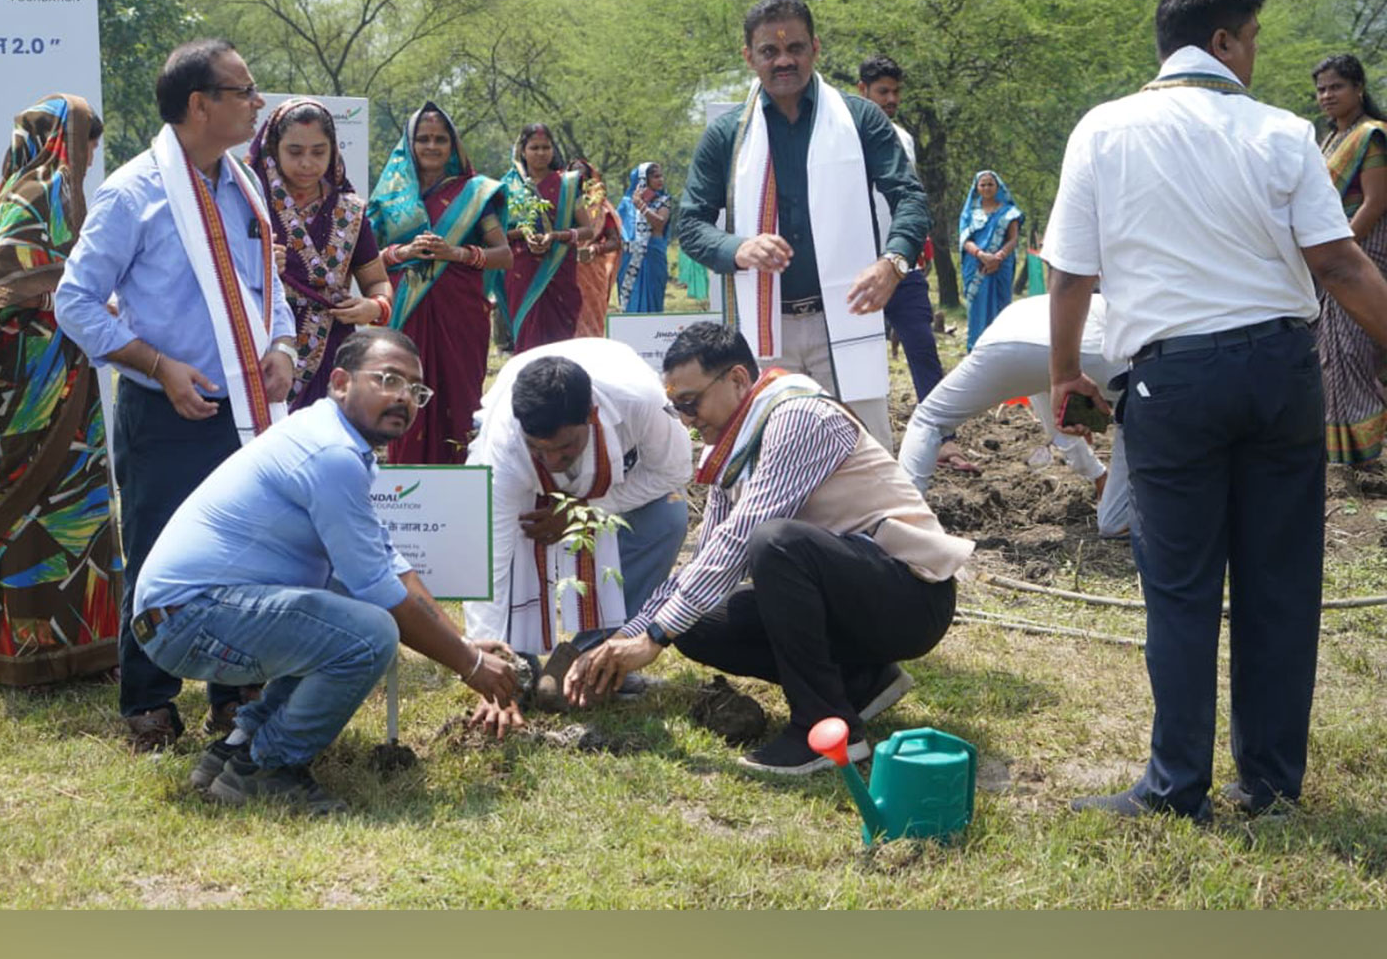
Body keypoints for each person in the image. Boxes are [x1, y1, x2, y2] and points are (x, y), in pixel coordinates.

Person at [1044, 0, 1387, 821]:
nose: (1258, 55)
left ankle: (1175, 787)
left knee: (1183, 585)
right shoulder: (1281, 132)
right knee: (1280, 582)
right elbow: (1340, 261)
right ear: (1225, 41)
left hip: (1174, 380)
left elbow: (1069, 273)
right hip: (1280, 373)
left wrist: (1064, 374)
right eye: (1255, 39)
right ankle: (1270, 784)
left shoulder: (1104, 129)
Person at [131, 328, 520, 812]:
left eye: (415, 390)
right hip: (186, 618)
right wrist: (470, 665)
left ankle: (237, 749)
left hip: (184, 613)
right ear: (340, 382)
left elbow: (387, 563)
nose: (404, 398)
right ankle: (269, 769)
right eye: (387, 380)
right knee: (370, 631)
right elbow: (381, 591)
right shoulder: (331, 455)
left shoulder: (336, 440)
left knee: (350, 614)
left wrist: (460, 644)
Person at [565, 322, 973, 773]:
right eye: (677, 406)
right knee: (696, 623)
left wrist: (655, 638)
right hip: (856, 591)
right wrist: (630, 637)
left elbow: (745, 534)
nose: (686, 417)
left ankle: (823, 725)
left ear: (738, 379)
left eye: (691, 401)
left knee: (775, 543)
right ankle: (862, 682)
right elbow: (708, 559)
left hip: (911, 598)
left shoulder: (796, 416)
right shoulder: (732, 443)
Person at [55, 38, 299, 751]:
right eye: (244, 90)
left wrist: (280, 345)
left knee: (250, 550)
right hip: (164, 409)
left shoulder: (245, 184)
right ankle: (150, 703)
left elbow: (266, 286)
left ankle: (235, 692)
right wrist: (157, 365)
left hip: (246, 408)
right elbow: (76, 302)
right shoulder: (135, 191)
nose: (259, 104)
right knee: (161, 554)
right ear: (200, 105)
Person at [677, 0, 929, 454]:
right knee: (776, 454)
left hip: (850, 314)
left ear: (814, 47)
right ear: (748, 57)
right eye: (769, 51)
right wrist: (738, 249)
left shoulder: (859, 119)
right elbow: (690, 224)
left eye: (794, 47)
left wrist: (893, 263)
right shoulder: (729, 134)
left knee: (866, 454)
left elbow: (909, 196)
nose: (784, 60)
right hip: (769, 325)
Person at [0, 94, 122, 686]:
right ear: (63, 144)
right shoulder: (36, 195)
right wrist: (70, 294)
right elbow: (4, 287)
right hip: (34, 386)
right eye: (87, 147)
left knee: (72, 506)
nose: (89, 160)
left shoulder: (51, 197)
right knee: (32, 508)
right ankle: (24, 654)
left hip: (66, 379)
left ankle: (80, 648)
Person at [463, 339, 692, 728]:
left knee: (668, 516)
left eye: (565, 448)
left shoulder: (641, 400)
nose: (552, 460)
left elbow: (674, 472)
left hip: (618, 480)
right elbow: (490, 557)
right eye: (540, 450)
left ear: (590, 414)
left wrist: (581, 512)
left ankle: (598, 654)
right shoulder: (505, 444)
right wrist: (486, 668)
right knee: (513, 542)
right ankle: (521, 661)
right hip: (520, 495)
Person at [897, 294, 1131, 538]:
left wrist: (1095, 472)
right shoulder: (1113, 302)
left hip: (1002, 345)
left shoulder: (1033, 306)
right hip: (1089, 348)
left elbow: (1056, 426)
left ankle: (903, 523)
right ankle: (1117, 519)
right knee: (1137, 410)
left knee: (929, 419)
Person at [366, 102, 511, 464]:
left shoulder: (474, 193)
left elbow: (504, 254)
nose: (432, 146)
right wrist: (404, 252)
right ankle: (407, 484)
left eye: (440, 139)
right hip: (405, 311)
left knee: (458, 398)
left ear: (453, 146)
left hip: (460, 313)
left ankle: (458, 485)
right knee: (401, 394)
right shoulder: (389, 196)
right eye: (423, 139)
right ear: (409, 144)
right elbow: (367, 258)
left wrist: (456, 253)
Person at [855, 55, 973, 473]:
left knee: (922, 346)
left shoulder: (903, 138)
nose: (891, 100)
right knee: (856, 360)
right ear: (861, 90)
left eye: (896, 92)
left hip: (901, 263)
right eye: (882, 91)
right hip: (855, 265)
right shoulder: (841, 135)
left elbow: (909, 200)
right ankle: (859, 450)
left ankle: (943, 438)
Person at [246, 98, 394, 410]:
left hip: (331, 346)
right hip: (264, 344)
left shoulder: (349, 211)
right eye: (295, 152)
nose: (307, 164)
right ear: (274, 149)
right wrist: (254, 265)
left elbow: (377, 281)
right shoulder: (247, 203)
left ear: (333, 151)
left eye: (318, 152)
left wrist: (374, 306)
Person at [1312, 54, 1387, 466]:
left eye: (1336, 86)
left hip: (1363, 250)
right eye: (1322, 88)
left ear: (1359, 88)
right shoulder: (1328, 141)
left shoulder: (1371, 136)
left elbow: (1375, 202)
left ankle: (1364, 457)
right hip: (1332, 253)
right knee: (1332, 352)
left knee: (1353, 350)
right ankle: (1345, 454)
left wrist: (1341, 250)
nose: (1327, 95)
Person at [500, 124, 594, 349]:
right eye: (534, 147)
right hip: (522, 269)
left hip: (559, 268)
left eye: (546, 147)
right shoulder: (508, 185)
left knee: (560, 340)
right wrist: (523, 233)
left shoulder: (568, 184)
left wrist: (556, 236)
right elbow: (496, 233)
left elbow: (587, 230)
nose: (541, 153)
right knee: (526, 334)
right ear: (523, 151)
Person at [959, 170, 1022, 350]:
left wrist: (998, 257)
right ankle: (976, 348)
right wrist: (981, 255)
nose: (986, 188)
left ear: (997, 187)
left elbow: (1013, 239)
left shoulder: (1009, 212)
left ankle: (1001, 348)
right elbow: (964, 240)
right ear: (977, 188)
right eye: (983, 184)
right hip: (976, 265)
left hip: (1001, 265)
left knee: (1001, 305)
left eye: (990, 184)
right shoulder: (969, 214)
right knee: (977, 306)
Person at [572, 160, 622, 337]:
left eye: (582, 175)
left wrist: (595, 248)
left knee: (591, 319)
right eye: (573, 174)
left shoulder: (600, 208)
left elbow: (615, 241)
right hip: (565, 269)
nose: (578, 179)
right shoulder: (560, 205)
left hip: (592, 270)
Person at [616, 163, 671, 313]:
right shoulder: (626, 203)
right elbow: (618, 230)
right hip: (629, 260)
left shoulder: (664, 201)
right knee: (630, 302)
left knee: (653, 299)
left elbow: (659, 223)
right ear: (643, 180)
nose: (661, 180)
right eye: (656, 176)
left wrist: (641, 205)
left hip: (653, 256)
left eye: (661, 176)